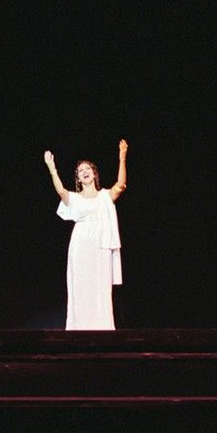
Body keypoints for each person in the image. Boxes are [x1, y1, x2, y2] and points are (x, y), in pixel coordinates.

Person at [43, 139, 128, 330]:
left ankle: (102, 328)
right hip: (81, 245)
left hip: (101, 245)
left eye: (87, 168)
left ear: (94, 174)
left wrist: (122, 157)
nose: (84, 171)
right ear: (79, 179)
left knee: (100, 287)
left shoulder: (105, 196)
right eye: (81, 171)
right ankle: (78, 328)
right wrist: (52, 168)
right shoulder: (75, 198)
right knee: (81, 287)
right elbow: (61, 191)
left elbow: (121, 185)